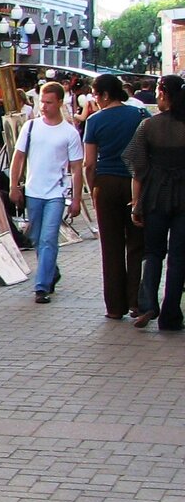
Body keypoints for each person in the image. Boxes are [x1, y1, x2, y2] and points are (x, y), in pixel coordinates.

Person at [10, 82, 84, 304]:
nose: (44, 106)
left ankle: (41, 286)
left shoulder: (69, 133)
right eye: (42, 101)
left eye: (49, 102)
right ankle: (51, 271)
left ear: (60, 102)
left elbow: (77, 167)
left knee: (49, 238)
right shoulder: (31, 127)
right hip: (33, 191)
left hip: (56, 193)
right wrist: (14, 185)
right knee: (36, 237)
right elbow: (18, 157)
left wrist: (76, 199)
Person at [83, 74, 149, 320]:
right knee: (136, 244)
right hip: (136, 183)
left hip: (106, 183)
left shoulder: (94, 121)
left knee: (111, 247)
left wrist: (92, 188)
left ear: (105, 95)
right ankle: (135, 301)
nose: (95, 99)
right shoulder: (140, 116)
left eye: (95, 94)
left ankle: (114, 306)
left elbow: (89, 163)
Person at [125, 75, 185, 330]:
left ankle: (147, 304)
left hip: (155, 195)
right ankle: (171, 314)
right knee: (179, 257)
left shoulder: (148, 126)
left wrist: (136, 202)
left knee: (152, 253)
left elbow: (137, 168)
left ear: (163, 94)